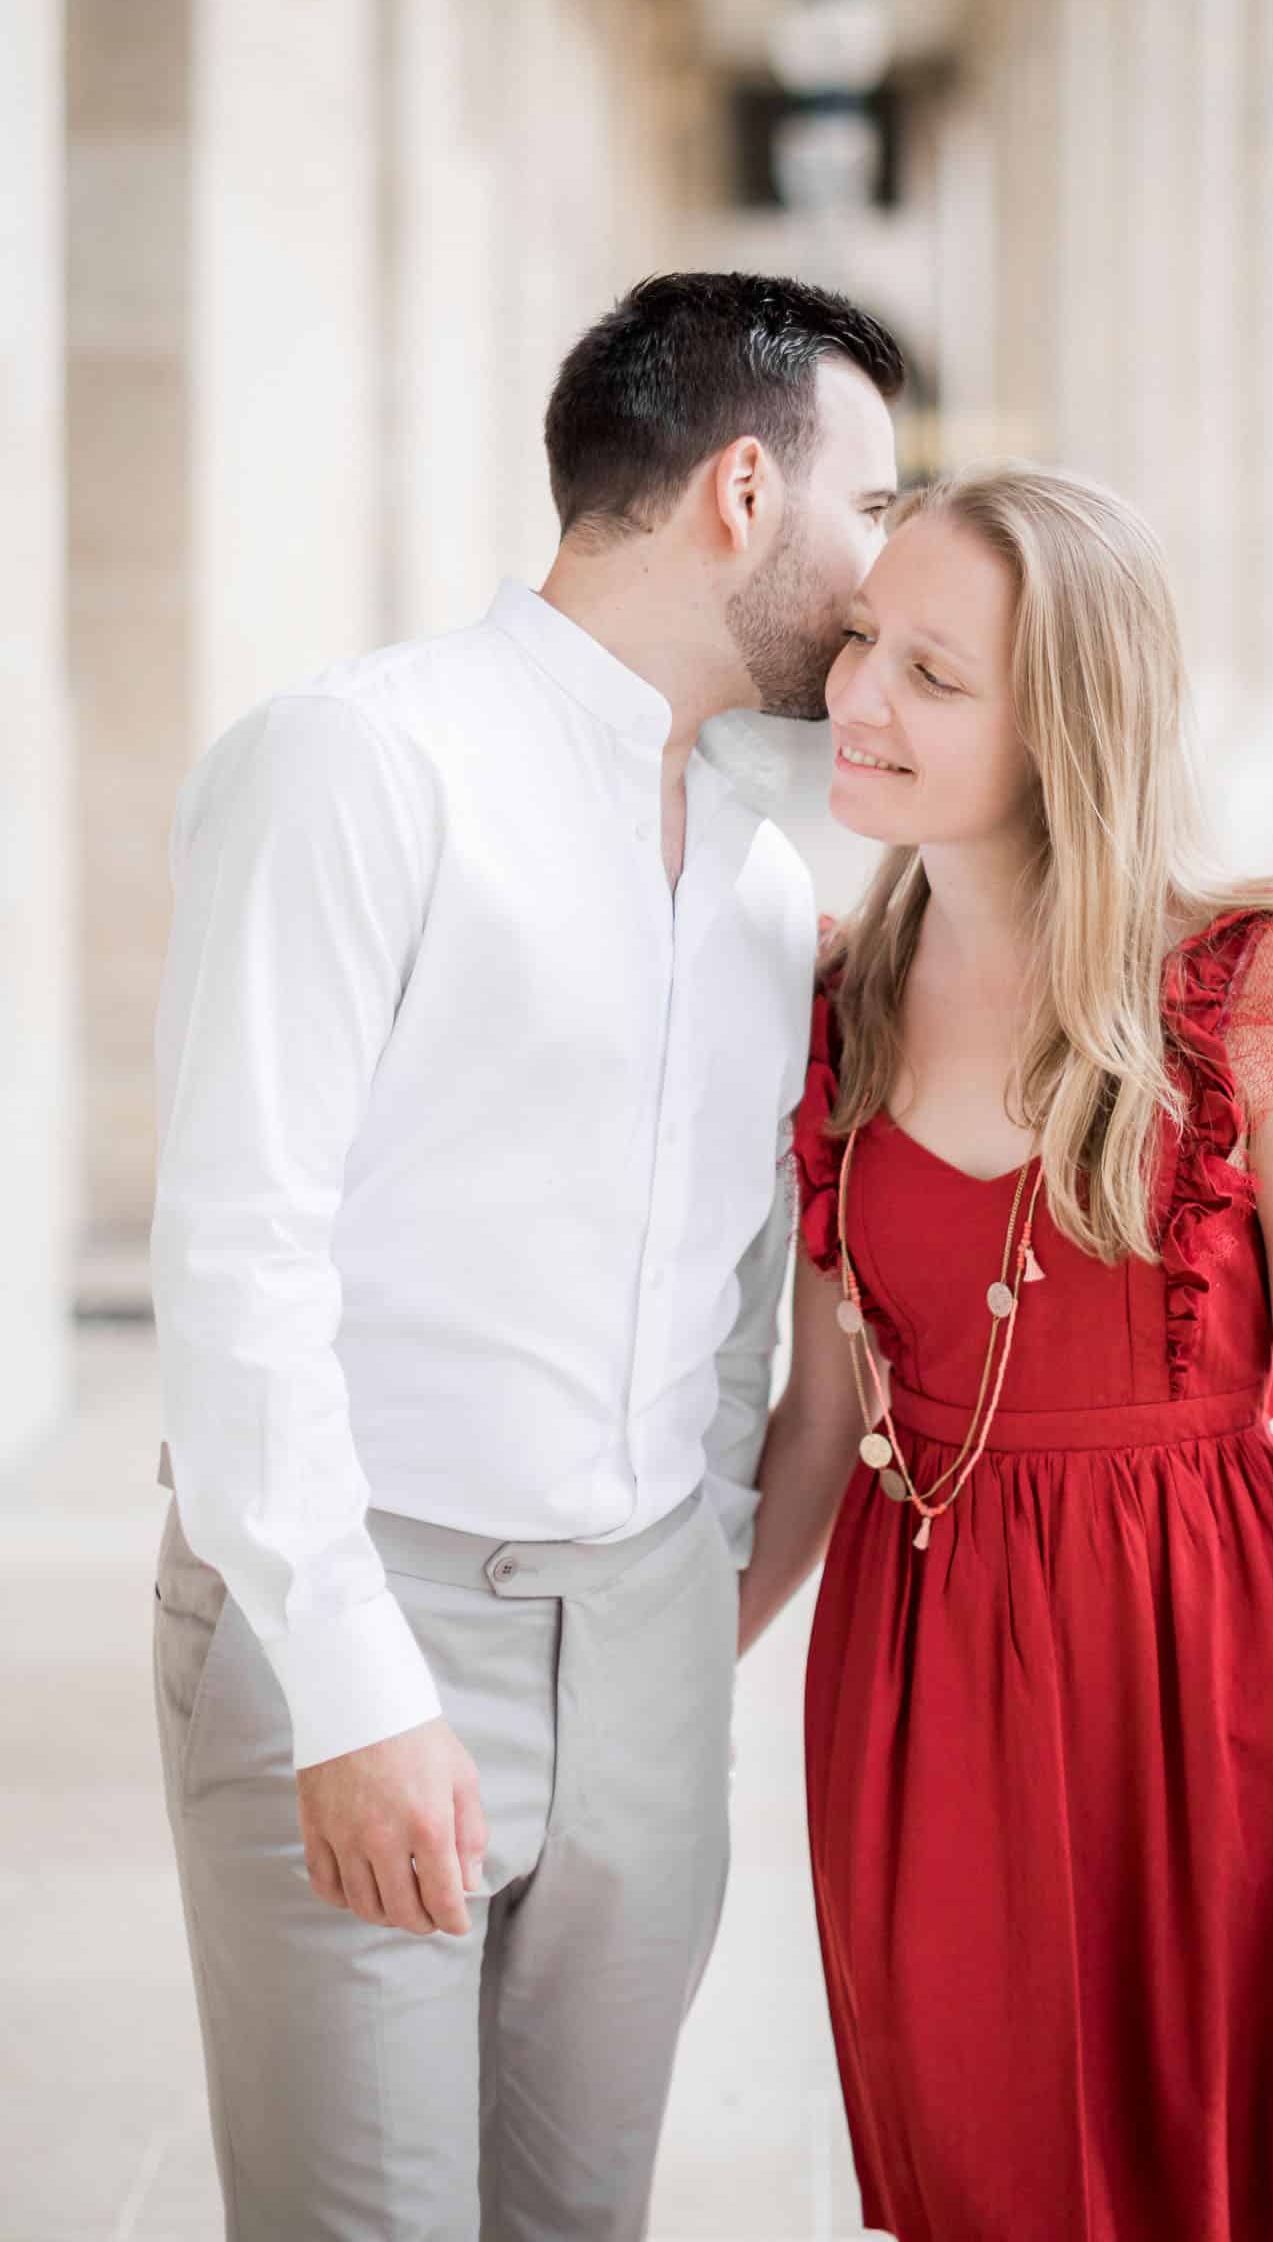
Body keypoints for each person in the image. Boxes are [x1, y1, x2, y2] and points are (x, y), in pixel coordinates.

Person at [147, 269, 903, 2241]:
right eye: (869, 511)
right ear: (743, 492)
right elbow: (239, 1257)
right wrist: (349, 1682)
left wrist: (685, 1600)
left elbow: (733, 1301)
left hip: (644, 1642)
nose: (877, 573)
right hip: (369, 1609)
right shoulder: (358, 763)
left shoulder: (752, 878)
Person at [738, 462, 1273, 2242]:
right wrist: (632, 1685)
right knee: (980, 2174)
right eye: (865, 641)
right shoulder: (838, 1004)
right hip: (916, 1682)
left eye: (936, 675)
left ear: (1066, 724)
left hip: (1203, 1679)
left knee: (1218, 2171)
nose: (861, 697)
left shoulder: (1252, 989)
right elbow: (821, 1425)